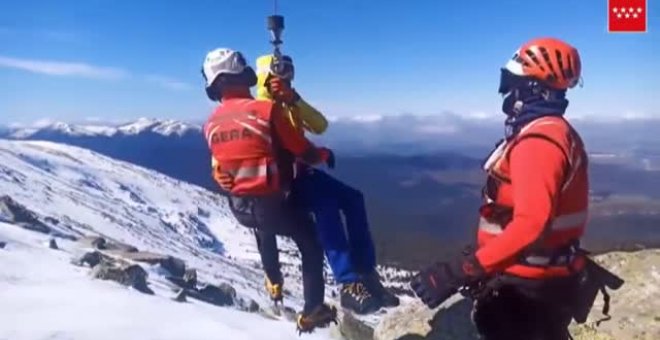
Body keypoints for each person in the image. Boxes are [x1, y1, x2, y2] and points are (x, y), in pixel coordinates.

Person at [410, 38, 591, 340]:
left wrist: (463, 269)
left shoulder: (539, 143)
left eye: (513, 84)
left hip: (529, 291)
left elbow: (532, 225)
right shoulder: (548, 133)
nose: (508, 93)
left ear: (535, 87)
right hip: (535, 279)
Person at [217, 53, 400, 315]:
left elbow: (320, 125)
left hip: (301, 172)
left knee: (353, 198)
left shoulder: (289, 103)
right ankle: (348, 283)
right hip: (284, 182)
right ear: (266, 77)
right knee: (326, 207)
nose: (287, 78)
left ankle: (366, 274)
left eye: (290, 73)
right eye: (281, 73)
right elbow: (232, 149)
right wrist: (218, 171)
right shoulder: (261, 108)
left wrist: (295, 99)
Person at [201, 47, 336, 333]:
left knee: (265, 230)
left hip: (239, 207)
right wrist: (322, 155)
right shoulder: (266, 110)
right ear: (245, 75)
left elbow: (222, 162)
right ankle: (313, 308)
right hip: (272, 204)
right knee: (310, 241)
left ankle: (273, 283)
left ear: (214, 84)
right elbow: (303, 150)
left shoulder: (210, 123)